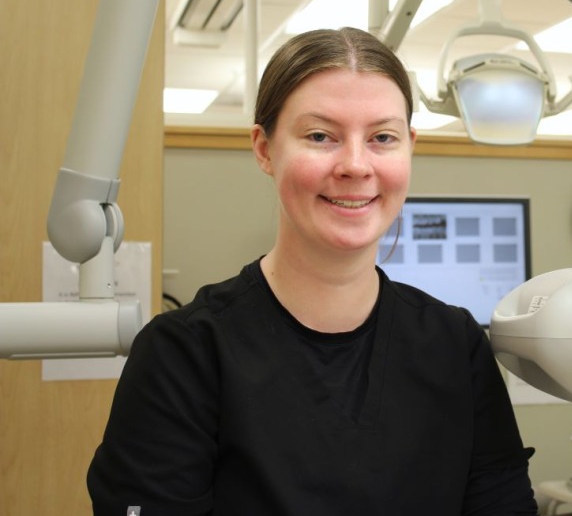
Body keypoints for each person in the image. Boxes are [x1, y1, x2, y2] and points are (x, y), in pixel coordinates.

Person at [88, 27, 538, 515]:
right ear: (264, 149)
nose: (355, 165)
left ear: (409, 147)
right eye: (320, 136)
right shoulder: (184, 356)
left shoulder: (456, 346)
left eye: (382, 138)